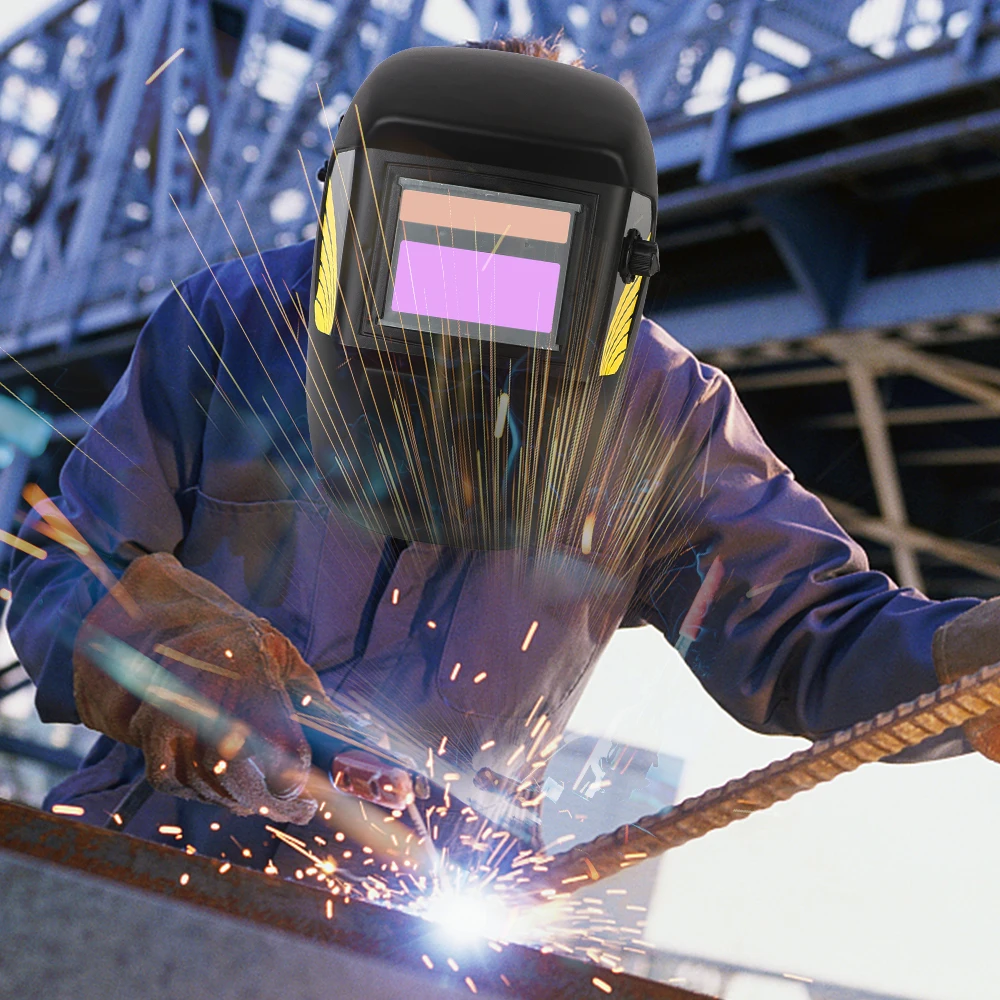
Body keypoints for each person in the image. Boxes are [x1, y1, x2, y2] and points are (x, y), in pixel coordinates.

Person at [7, 38, 1000, 880]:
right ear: (350, 235)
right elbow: (57, 567)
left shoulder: (663, 414)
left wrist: (972, 664)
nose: (461, 341)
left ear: (605, 284)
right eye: (434, 267)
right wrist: (173, 659)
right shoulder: (228, 326)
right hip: (153, 855)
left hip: (436, 901)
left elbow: (809, 640)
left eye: (515, 284)